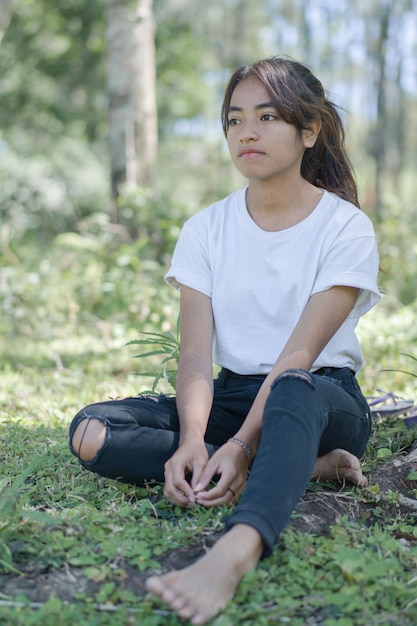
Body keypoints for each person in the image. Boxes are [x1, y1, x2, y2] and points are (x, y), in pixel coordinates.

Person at [69, 56, 380, 624]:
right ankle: (311, 468)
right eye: (234, 120)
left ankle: (237, 549)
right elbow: (194, 354)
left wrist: (238, 447)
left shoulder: (345, 228)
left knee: (290, 382)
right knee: (93, 432)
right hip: (234, 393)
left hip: (319, 396)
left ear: (309, 131)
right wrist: (192, 438)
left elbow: (298, 356)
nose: (248, 132)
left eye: (267, 116)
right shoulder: (206, 228)